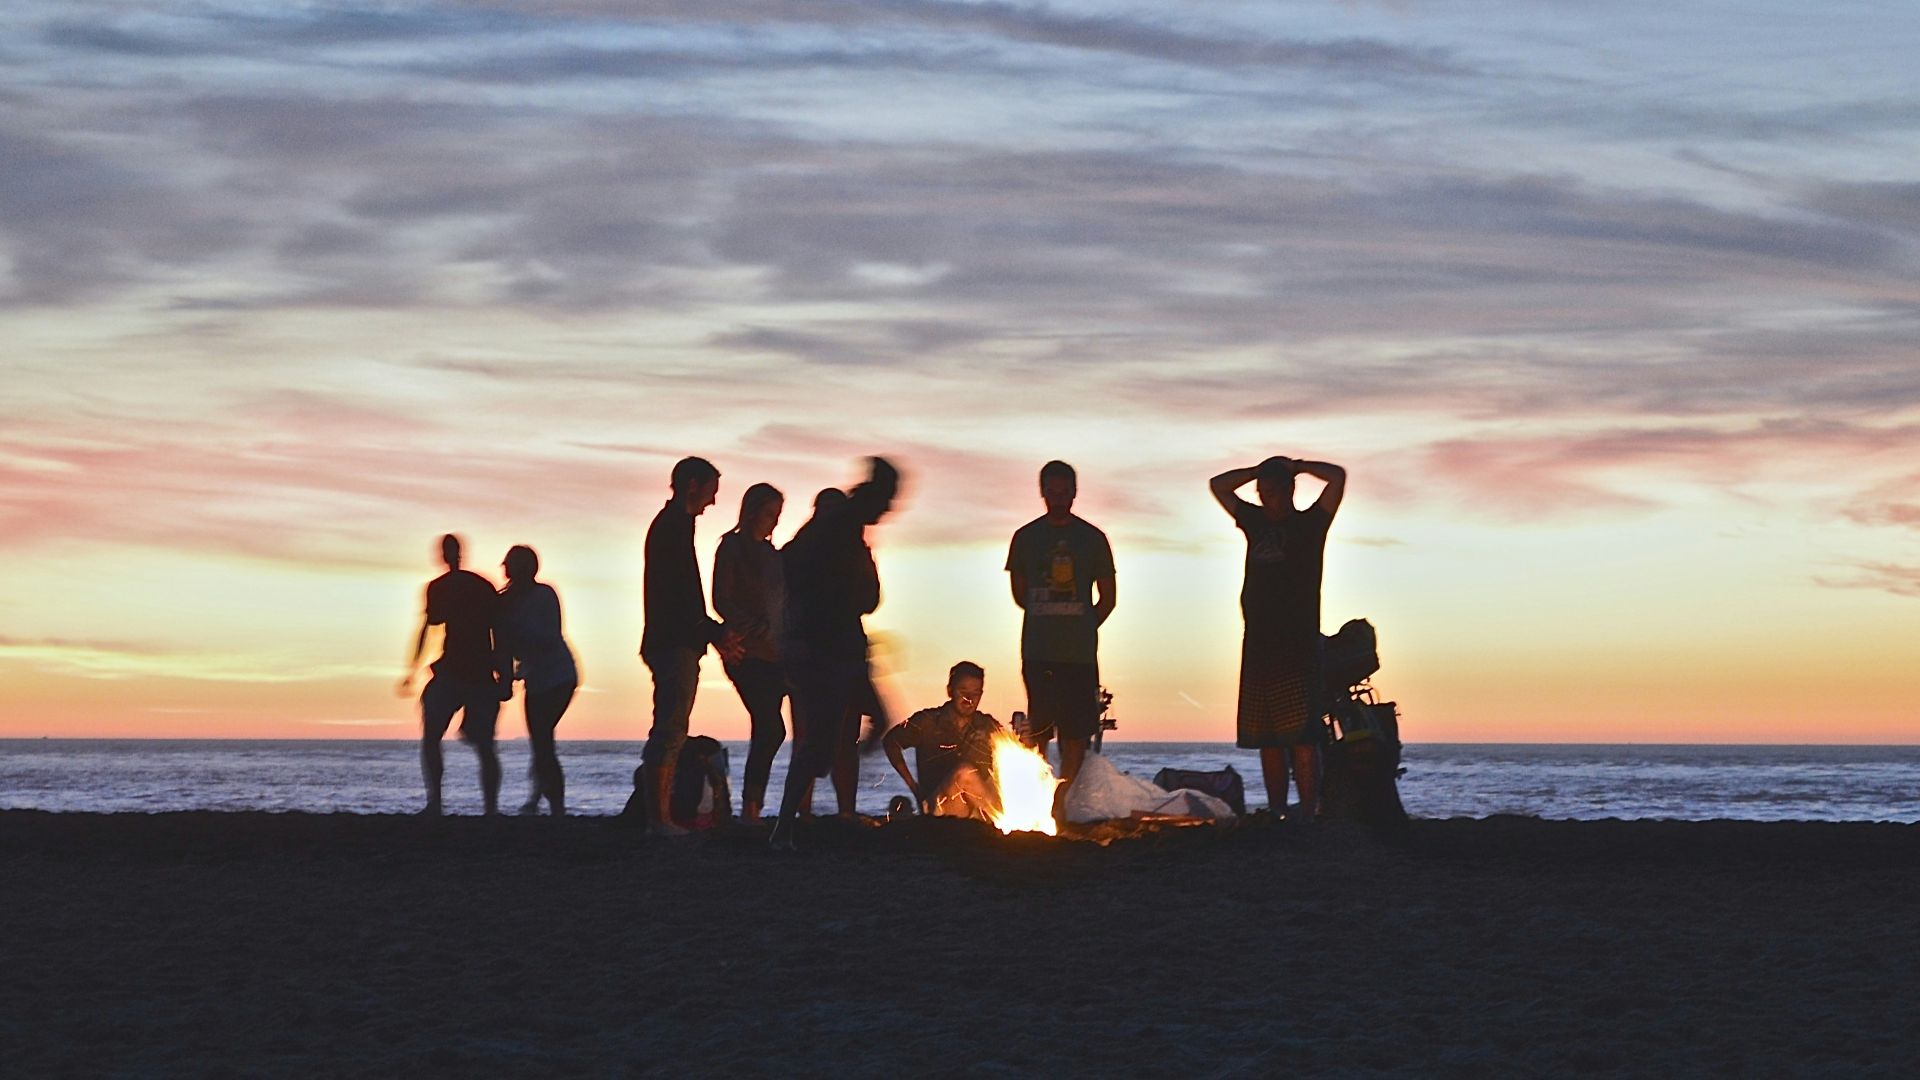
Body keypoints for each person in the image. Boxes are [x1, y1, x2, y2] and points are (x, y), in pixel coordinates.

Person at [769, 457, 901, 850]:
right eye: (888, 500)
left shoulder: (842, 533)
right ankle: (785, 825)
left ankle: (789, 822)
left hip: (834, 647)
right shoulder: (838, 527)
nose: (890, 510)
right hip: (827, 649)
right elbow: (863, 596)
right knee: (831, 739)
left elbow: (868, 596)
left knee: (866, 726)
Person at [1210, 455, 1346, 819]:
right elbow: (1218, 485)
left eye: (1270, 491)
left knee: (1302, 736)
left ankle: (1308, 808)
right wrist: (1256, 470)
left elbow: (1337, 478)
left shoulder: (1311, 524)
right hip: (1258, 641)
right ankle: (1276, 809)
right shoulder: (1253, 521)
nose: (1264, 497)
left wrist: (1298, 465)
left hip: (1297, 641)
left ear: (1288, 491)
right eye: (1261, 491)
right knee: (1266, 736)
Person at [638, 457, 744, 837]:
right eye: (711, 492)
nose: (713, 503)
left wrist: (709, 633)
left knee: (672, 727)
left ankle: (660, 818)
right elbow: (679, 596)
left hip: (675, 639)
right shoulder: (671, 529)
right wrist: (711, 632)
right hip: (673, 642)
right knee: (670, 728)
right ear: (693, 486)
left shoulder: (675, 527)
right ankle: (659, 820)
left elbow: (683, 597)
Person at [1005, 460, 1115, 789]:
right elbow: (1020, 594)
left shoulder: (1093, 539)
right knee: (1038, 732)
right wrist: (1050, 614)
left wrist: (1082, 625)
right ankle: (1039, 797)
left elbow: (1108, 598)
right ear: (1042, 492)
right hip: (1039, 652)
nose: (1057, 497)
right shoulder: (1025, 537)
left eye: (1063, 491)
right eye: (1051, 491)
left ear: (1074, 492)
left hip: (1079, 656)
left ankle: (1064, 803)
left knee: (1076, 734)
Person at [398, 533, 509, 815]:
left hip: (474, 672)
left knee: (477, 743)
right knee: (451, 739)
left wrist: (505, 674)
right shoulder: (467, 586)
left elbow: (498, 631)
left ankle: (474, 806)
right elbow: (430, 627)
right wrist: (412, 669)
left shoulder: (460, 587)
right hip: (459, 671)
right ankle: (444, 802)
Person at [712, 482, 788, 824]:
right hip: (746, 650)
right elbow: (721, 599)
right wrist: (753, 627)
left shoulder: (773, 556)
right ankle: (750, 808)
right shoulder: (732, 548)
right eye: (769, 514)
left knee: (771, 727)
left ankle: (754, 807)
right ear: (753, 511)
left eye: (777, 515)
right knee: (770, 727)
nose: (773, 521)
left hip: (777, 652)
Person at [497, 544, 578, 817]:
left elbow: (550, 636)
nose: (504, 570)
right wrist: (506, 678)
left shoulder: (544, 594)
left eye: (508, 564)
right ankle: (538, 798)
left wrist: (515, 629)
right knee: (541, 741)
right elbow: (503, 646)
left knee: (543, 740)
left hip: (558, 676)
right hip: (535, 678)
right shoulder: (505, 602)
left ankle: (555, 805)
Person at [883, 661, 1003, 820]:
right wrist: (914, 787)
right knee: (965, 774)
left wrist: (1024, 736)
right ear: (950, 691)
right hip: (941, 807)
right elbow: (891, 742)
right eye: (963, 691)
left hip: (978, 808)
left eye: (976, 693)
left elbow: (1017, 755)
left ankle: (1003, 820)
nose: (969, 699)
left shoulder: (986, 724)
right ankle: (1007, 821)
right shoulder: (928, 722)